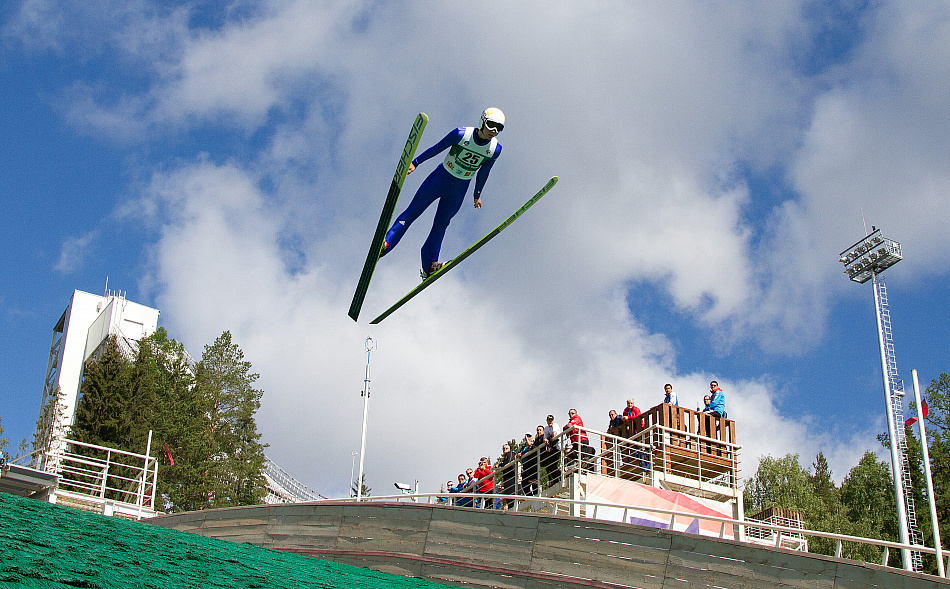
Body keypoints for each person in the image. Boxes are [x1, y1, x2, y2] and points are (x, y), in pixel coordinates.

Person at [381, 108, 505, 278]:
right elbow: (437, 148)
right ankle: (387, 242)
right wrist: (416, 162)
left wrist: (477, 194)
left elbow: (484, 172)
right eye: (491, 125)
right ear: (482, 121)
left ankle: (429, 266)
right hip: (440, 179)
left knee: (441, 225)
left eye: (499, 128)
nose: (494, 131)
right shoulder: (461, 134)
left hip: (459, 189)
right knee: (413, 211)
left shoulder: (495, 149)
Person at [564, 409, 593, 473]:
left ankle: (582, 468)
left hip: (582, 440)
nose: (571, 415)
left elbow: (569, 426)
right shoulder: (571, 420)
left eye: (572, 413)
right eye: (569, 413)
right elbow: (565, 429)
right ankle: (578, 464)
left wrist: (567, 428)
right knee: (570, 455)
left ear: (575, 413)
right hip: (576, 442)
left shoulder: (577, 418)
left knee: (584, 456)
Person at [520, 430, 541, 496]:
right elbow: (520, 453)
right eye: (527, 436)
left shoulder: (533, 444)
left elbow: (533, 450)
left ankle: (536, 494)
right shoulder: (523, 447)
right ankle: (529, 496)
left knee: (533, 481)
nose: (528, 438)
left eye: (529, 436)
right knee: (524, 484)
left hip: (531, 465)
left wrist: (530, 446)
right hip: (525, 465)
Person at [541, 416, 561, 485]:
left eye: (551, 420)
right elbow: (544, 438)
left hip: (556, 448)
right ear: (546, 421)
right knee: (549, 467)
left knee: (554, 466)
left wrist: (548, 438)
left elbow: (554, 434)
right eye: (549, 420)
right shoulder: (546, 428)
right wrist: (546, 440)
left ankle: (560, 478)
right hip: (550, 449)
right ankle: (555, 481)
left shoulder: (555, 425)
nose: (550, 422)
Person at [498, 443, 518, 509]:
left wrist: (500, 465)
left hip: (511, 477)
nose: (505, 450)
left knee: (511, 493)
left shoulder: (511, 453)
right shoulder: (505, 456)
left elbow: (509, 462)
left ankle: (512, 507)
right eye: (503, 448)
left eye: (506, 448)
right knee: (507, 495)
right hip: (507, 478)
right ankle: (510, 507)